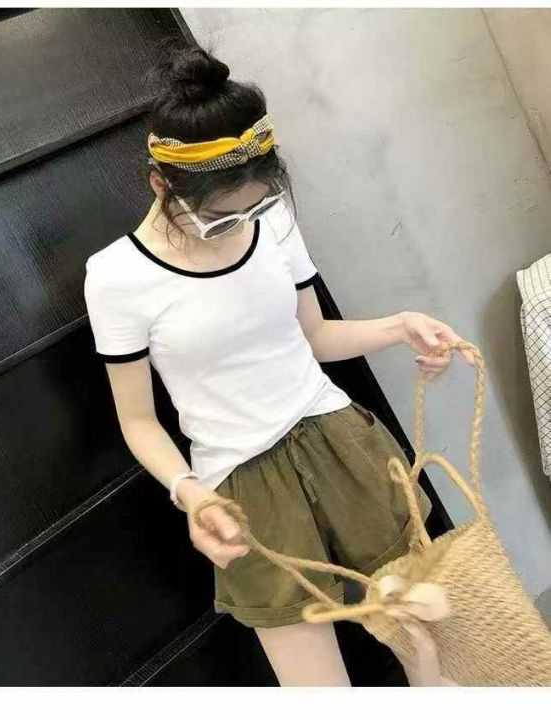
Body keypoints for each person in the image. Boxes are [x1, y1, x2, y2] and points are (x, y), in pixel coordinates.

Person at [83, 38, 472, 686]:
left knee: (433, 653)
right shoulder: (116, 278)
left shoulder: (273, 217)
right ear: (161, 184)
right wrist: (190, 495)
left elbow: (313, 336)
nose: (243, 224)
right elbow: (138, 420)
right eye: (219, 218)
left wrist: (398, 327)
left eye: (256, 206)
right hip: (242, 489)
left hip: (338, 442)